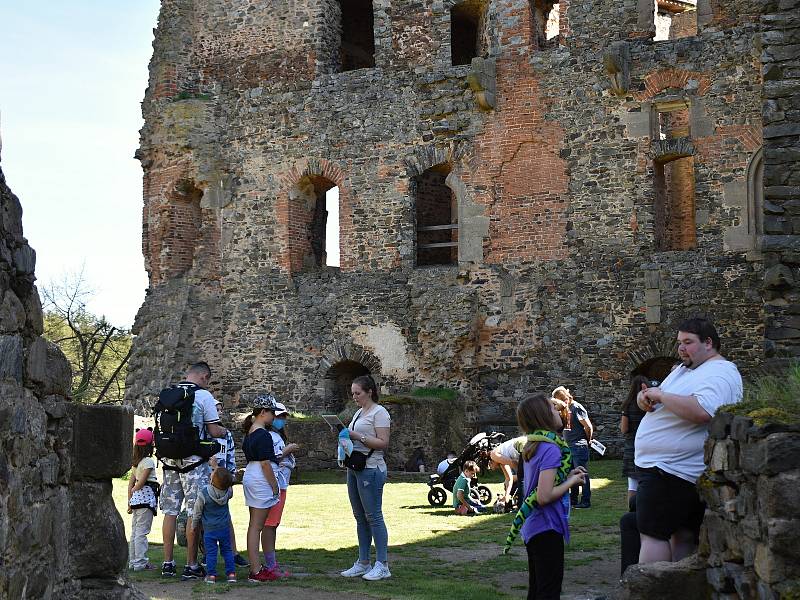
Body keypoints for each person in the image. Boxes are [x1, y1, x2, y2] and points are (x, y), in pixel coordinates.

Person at [635, 317, 742, 564]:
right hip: (666, 469)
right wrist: (646, 399)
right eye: (679, 342)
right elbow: (665, 401)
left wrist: (660, 395)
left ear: (708, 343)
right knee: (680, 536)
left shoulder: (720, 372)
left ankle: (650, 591)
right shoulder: (687, 369)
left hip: (671, 470)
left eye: (688, 342)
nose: (681, 348)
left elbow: (703, 410)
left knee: (653, 535)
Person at [513, 393, 586, 600]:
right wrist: (571, 483)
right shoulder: (551, 449)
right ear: (543, 416)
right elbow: (544, 496)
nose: (558, 411)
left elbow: (540, 484)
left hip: (533, 526)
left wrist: (567, 476)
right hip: (546, 526)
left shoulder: (533, 446)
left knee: (537, 588)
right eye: (553, 409)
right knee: (549, 591)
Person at [159, 362, 228, 580]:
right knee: (193, 512)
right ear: (204, 377)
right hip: (194, 461)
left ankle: (167, 563)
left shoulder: (169, 394)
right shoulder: (204, 396)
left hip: (169, 459)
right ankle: (191, 564)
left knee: (170, 512)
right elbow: (214, 430)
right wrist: (224, 431)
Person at [340, 375, 392, 582]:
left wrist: (356, 436)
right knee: (359, 516)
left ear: (369, 392)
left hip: (371, 468)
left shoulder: (380, 413)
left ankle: (382, 564)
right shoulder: (360, 412)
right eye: (352, 393)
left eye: (358, 393)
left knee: (374, 516)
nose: (354, 397)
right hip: (354, 467)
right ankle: (363, 562)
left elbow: (383, 443)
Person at [241, 393, 282, 582]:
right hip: (260, 478)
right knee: (256, 526)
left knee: (254, 525)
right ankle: (256, 570)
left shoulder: (250, 433)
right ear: (263, 412)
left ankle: (256, 567)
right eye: (272, 412)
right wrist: (275, 487)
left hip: (251, 474)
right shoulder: (263, 435)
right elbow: (266, 464)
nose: (274, 417)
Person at [263, 401, 300, 578]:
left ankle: (272, 562)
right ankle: (270, 565)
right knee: (269, 525)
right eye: (280, 417)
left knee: (273, 524)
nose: (283, 420)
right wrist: (287, 450)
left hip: (281, 484)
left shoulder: (277, 436)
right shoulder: (268, 436)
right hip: (275, 485)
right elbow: (271, 458)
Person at [211, 399, 249, 569]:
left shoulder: (225, 434)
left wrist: (231, 479)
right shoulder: (202, 432)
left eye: (220, 410)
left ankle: (233, 553)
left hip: (223, 481)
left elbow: (230, 458)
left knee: (226, 517)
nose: (220, 413)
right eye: (216, 410)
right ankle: (206, 555)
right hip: (207, 480)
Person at [192, 461, 237, 584]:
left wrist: (194, 525)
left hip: (209, 530)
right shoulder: (228, 492)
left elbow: (197, 511)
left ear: (212, 480)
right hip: (224, 527)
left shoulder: (204, 493)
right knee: (227, 551)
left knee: (211, 553)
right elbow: (229, 486)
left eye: (213, 473)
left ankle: (211, 575)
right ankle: (231, 574)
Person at [552, 385, 593, 508]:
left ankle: (586, 501)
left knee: (582, 473)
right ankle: (573, 499)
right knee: (570, 474)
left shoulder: (576, 407)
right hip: (569, 446)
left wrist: (588, 440)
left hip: (578, 445)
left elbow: (588, 426)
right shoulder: (565, 409)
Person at [128, 428, 159, 572]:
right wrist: (136, 491)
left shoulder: (135, 463)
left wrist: (130, 500)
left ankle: (133, 562)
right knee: (142, 532)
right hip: (145, 501)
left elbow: (131, 484)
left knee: (135, 532)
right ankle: (140, 563)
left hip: (136, 502)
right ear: (150, 445)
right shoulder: (148, 462)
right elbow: (140, 483)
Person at [620, 375, 651, 502]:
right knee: (648, 482)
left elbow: (624, 429)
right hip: (649, 445)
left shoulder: (627, 406)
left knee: (632, 485)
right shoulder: (650, 405)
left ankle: (633, 513)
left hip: (632, 446)